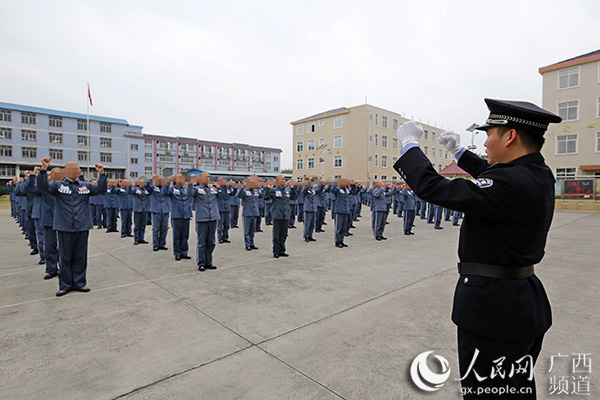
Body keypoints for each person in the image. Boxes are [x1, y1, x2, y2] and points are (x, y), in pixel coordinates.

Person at [394, 98, 561, 399]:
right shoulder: (537, 174)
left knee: (487, 392)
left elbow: (435, 187)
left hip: (495, 309)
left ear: (509, 136)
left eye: (489, 133)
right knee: (513, 389)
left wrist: (410, 147)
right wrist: (458, 153)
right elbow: (494, 174)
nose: (484, 142)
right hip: (519, 303)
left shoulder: (513, 183)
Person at [37, 158, 106, 296]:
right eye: (74, 169)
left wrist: (102, 175)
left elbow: (101, 189)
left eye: (78, 169)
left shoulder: (85, 186)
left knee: (80, 256)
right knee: (65, 257)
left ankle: (79, 283)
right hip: (64, 226)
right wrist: (43, 170)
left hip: (82, 226)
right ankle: (65, 285)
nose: (78, 171)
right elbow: (43, 187)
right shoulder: (58, 185)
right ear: (66, 171)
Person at [188, 172, 219, 271]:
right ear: (200, 179)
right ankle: (201, 262)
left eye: (209, 177)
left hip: (213, 218)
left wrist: (222, 187)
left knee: (211, 242)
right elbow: (189, 194)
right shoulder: (197, 189)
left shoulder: (213, 189)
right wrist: (191, 183)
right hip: (202, 219)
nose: (208, 179)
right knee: (201, 242)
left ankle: (209, 262)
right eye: (206, 177)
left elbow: (224, 197)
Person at [264, 176, 297, 258]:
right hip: (277, 215)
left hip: (285, 215)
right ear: (277, 181)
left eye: (284, 179)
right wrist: (268, 189)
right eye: (282, 179)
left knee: (284, 234)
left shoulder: (287, 190)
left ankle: (282, 250)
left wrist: (293, 189)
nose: (284, 180)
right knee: (276, 235)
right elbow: (266, 198)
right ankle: (276, 251)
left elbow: (294, 198)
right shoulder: (274, 190)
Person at [166, 174, 193, 260]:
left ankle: (184, 252)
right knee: (177, 236)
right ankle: (177, 253)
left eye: (182, 178)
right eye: (179, 178)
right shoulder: (172, 189)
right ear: (176, 180)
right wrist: (167, 183)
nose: (181, 179)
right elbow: (165, 193)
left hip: (186, 215)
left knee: (185, 235)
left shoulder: (186, 189)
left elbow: (191, 195)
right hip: (177, 215)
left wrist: (191, 183)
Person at [236, 177, 261, 251]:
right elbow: (238, 195)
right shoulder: (244, 191)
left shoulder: (256, 191)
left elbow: (263, 195)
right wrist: (242, 187)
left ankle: (252, 243)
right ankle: (247, 244)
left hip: (254, 213)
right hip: (247, 213)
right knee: (247, 231)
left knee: (252, 230)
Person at [147, 175, 170, 251]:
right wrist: (152, 180)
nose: (160, 182)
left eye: (162, 180)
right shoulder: (153, 188)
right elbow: (146, 187)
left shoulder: (166, 188)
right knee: (155, 229)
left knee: (164, 229)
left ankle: (162, 244)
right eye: (159, 180)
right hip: (156, 210)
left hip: (165, 210)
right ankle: (155, 245)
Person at [328, 178, 351, 248]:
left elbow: (353, 191)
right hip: (339, 210)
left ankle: (341, 240)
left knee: (344, 228)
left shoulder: (346, 190)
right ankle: (337, 242)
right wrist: (336, 182)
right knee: (338, 227)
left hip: (346, 211)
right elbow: (332, 189)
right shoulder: (337, 190)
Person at [130, 178, 151, 245]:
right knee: (137, 225)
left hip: (145, 209)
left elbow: (150, 187)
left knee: (143, 225)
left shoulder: (146, 191)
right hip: (137, 209)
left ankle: (141, 238)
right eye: (141, 183)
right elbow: (131, 191)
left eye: (143, 183)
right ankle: (136, 239)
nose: (142, 184)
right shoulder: (135, 190)